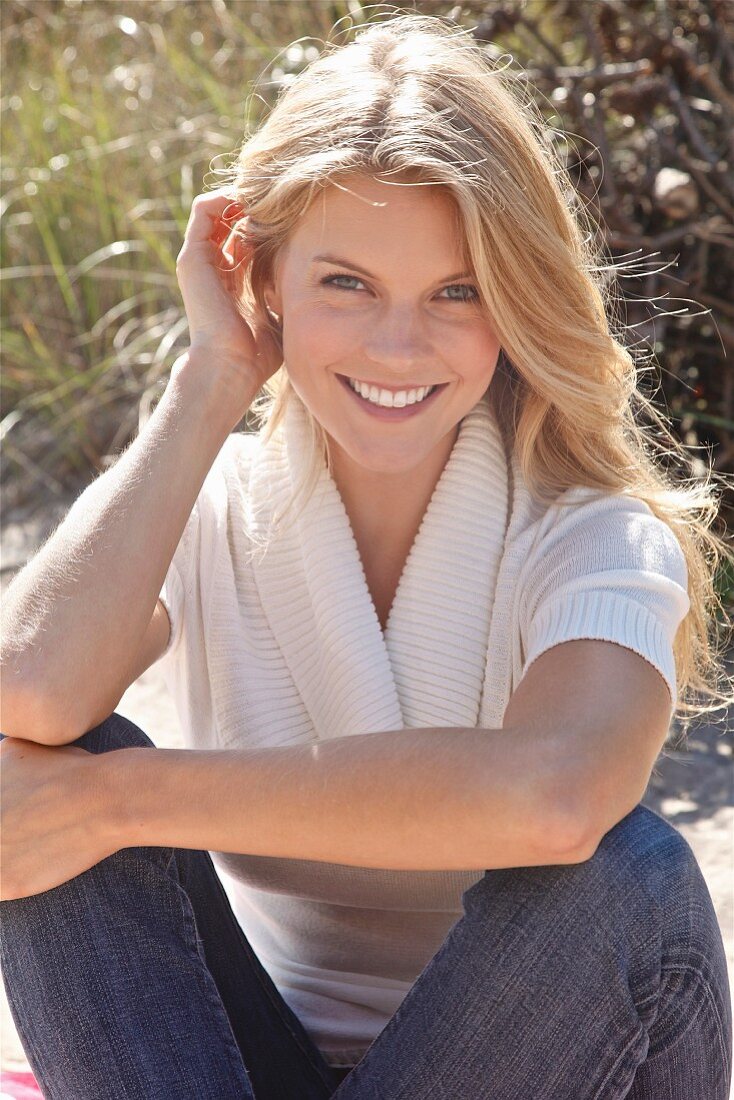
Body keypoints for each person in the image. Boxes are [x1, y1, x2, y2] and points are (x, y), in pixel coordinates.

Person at [1, 12, 732, 1100]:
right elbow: (29, 690)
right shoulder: (216, 509)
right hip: (238, 1064)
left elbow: (556, 794)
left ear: (514, 304)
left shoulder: (592, 533)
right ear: (266, 282)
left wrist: (126, 798)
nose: (398, 345)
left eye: (456, 290)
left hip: (548, 1066)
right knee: (44, 764)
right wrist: (210, 379)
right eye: (344, 282)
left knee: (630, 878)